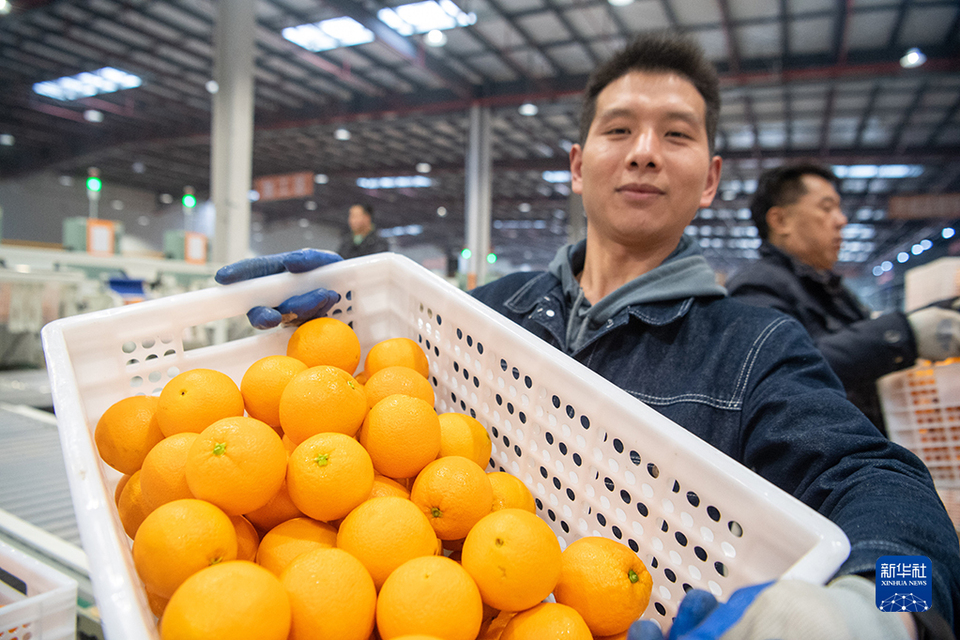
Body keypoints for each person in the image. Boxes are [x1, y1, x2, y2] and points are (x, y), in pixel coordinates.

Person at [214, 32, 960, 639]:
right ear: (578, 165)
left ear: (708, 178)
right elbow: (375, 406)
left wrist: (881, 611)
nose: (643, 151)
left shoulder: (754, 348)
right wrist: (337, 327)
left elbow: (885, 487)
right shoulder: (489, 311)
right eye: (618, 129)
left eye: (675, 134)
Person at [725, 164, 960, 435]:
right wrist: (904, 334)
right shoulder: (756, 285)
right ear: (780, 221)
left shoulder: (828, 288)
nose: (841, 220)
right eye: (826, 208)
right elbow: (783, 370)